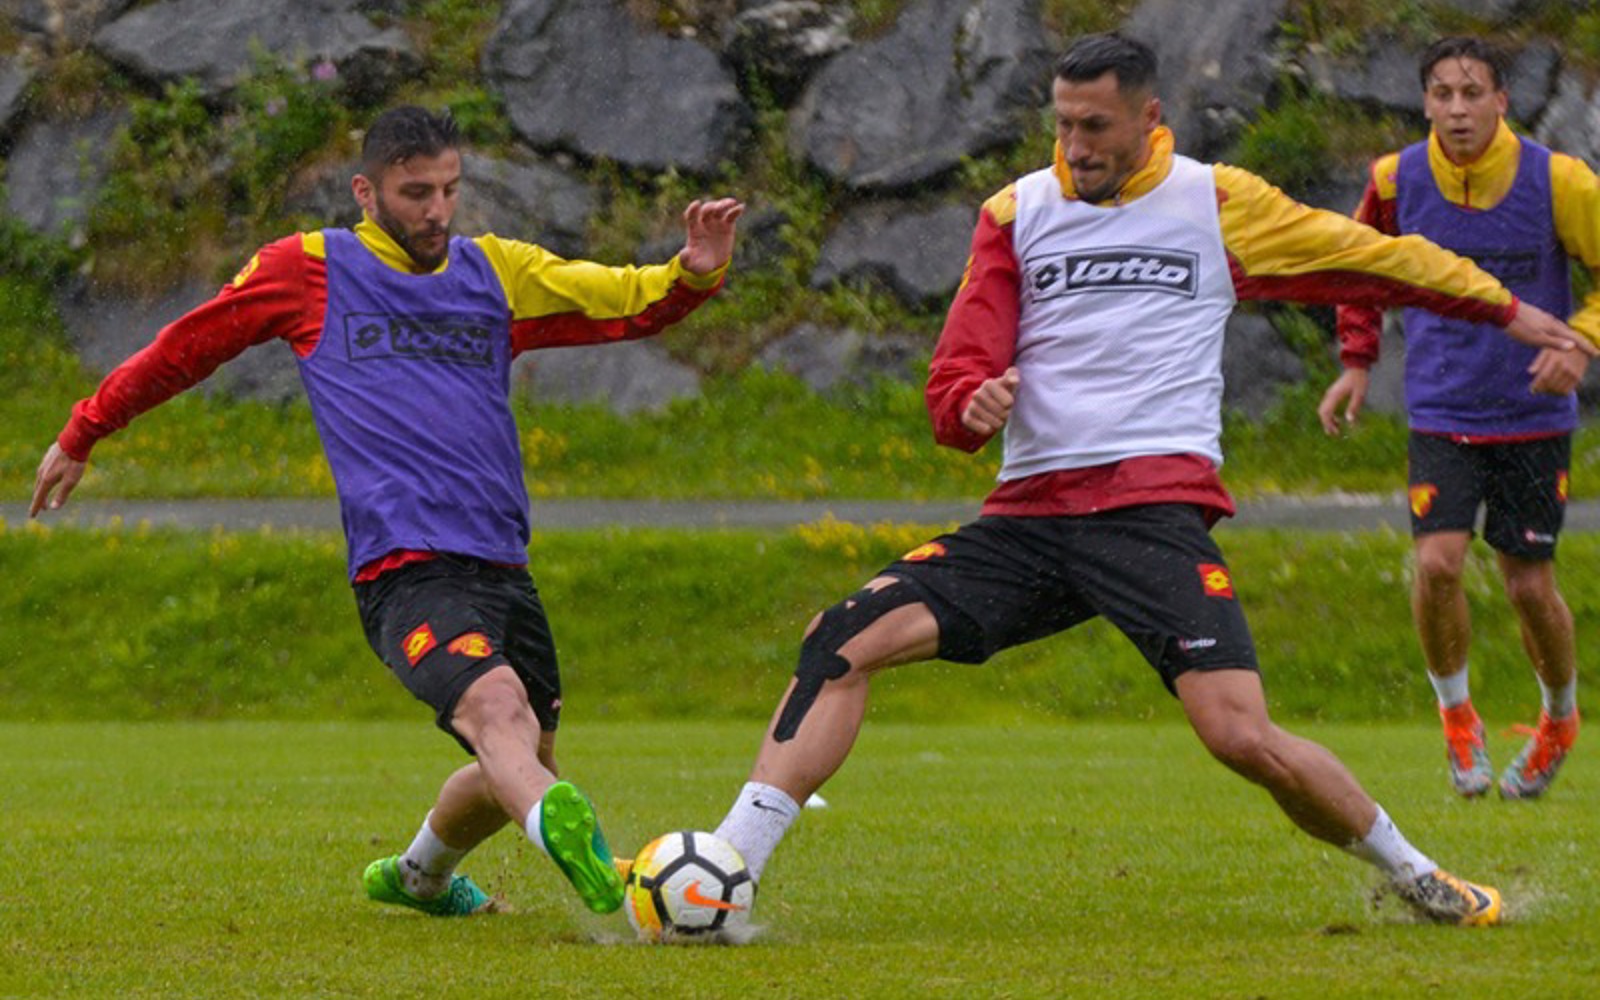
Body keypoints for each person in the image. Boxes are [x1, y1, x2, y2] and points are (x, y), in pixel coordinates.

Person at [711, 33, 1596, 928]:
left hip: (1149, 516)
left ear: (1149, 117)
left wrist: (1512, 313)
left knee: (1239, 736)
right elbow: (958, 372)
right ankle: (726, 871)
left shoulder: (1216, 202)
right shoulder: (1016, 211)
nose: (1076, 145)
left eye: (1096, 126)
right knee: (840, 639)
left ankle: (1419, 877)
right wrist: (970, 404)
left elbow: (1380, 258)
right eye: (1064, 124)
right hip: (1029, 520)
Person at [29, 106, 744, 917]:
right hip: (404, 568)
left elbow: (618, 300)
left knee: (518, 760)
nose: (438, 211)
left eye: (449, 190)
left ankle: (418, 878)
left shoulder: (495, 272)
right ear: (365, 193)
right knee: (497, 712)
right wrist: (86, 430)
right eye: (416, 194)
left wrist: (692, 272)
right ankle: (609, 875)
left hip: (502, 564)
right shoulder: (309, 269)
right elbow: (188, 346)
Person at [1318, 37, 1596, 800]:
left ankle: (1559, 719)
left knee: (1528, 587)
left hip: (1533, 415)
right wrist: (1356, 360)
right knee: (1438, 564)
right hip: (1442, 411)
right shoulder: (1395, 180)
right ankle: (1457, 717)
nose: (1458, 109)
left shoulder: (1559, 180)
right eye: (1442, 93)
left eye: (1473, 93)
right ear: (1425, 102)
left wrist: (1580, 344)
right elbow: (1356, 265)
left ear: (1502, 100)